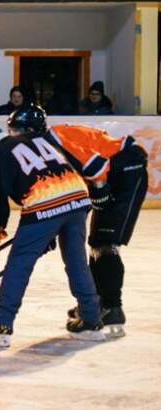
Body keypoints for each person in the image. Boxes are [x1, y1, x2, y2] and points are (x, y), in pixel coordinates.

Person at [0, 104, 103, 348]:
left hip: (45, 203)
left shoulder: (0, 153)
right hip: (78, 199)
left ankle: (2, 324)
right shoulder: (47, 141)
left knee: (19, 262)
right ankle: (91, 319)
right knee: (76, 261)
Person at [46, 124, 148, 337]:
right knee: (96, 242)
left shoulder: (54, 142)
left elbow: (95, 166)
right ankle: (98, 303)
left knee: (105, 242)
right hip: (112, 171)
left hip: (126, 167)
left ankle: (112, 307)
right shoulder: (46, 144)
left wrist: (100, 189)